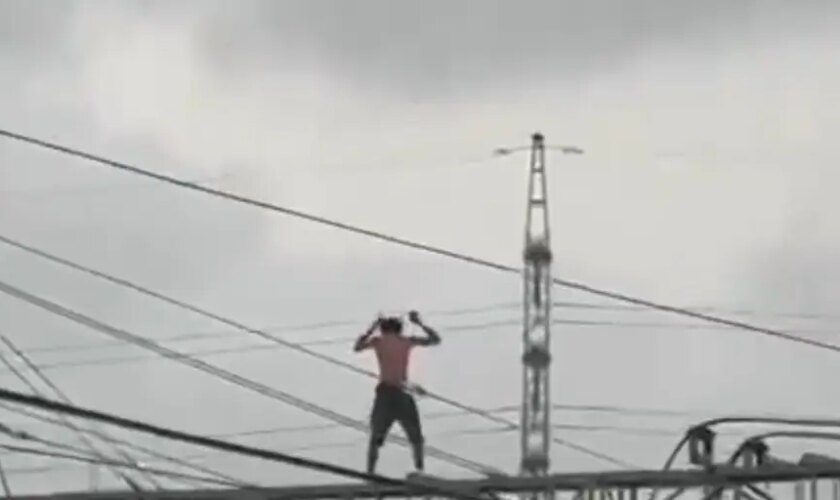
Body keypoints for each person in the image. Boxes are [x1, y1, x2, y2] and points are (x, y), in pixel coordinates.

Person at [353, 310, 441, 474]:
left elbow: (357, 347)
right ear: (399, 329)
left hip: (386, 394)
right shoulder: (405, 341)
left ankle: (370, 472)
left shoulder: (379, 341)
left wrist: (372, 328)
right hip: (402, 393)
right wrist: (419, 323)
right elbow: (435, 340)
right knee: (416, 438)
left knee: (376, 437)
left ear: (384, 329)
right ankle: (420, 469)